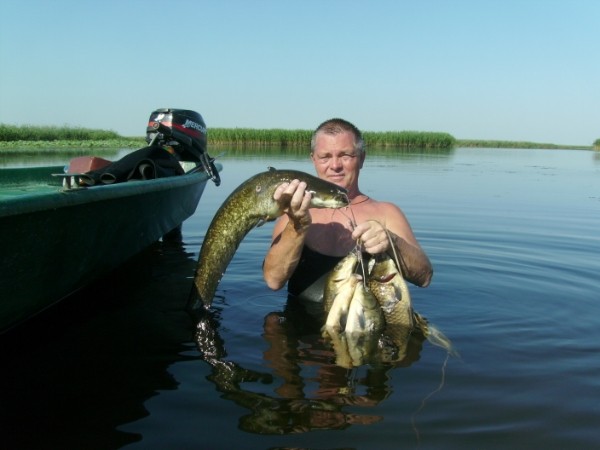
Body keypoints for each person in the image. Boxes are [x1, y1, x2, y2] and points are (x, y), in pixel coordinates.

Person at [263, 118, 433, 302]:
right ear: (313, 160)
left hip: (367, 325)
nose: (335, 165)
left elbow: (424, 278)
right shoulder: (295, 213)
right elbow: (273, 281)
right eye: (325, 157)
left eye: (346, 156)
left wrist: (392, 241)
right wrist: (297, 225)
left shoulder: (386, 213)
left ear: (362, 159)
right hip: (300, 326)